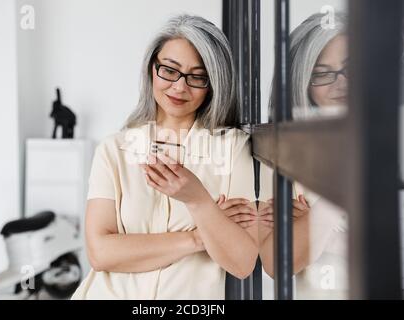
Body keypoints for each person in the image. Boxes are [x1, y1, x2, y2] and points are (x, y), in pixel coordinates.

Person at [71, 14, 272, 300]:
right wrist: (197, 237)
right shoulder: (113, 150)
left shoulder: (235, 149)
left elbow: (241, 262)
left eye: (197, 77)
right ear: (152, 69)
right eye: (169, 70)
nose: (179, 87)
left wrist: (197, 199)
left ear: (213, 84)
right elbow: (101, 253)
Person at [262, 12, 349, 297]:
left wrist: (319, 228)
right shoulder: (283, 154)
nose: (341, 83)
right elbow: (280, 262)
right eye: (322, 74)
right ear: (302, 80)